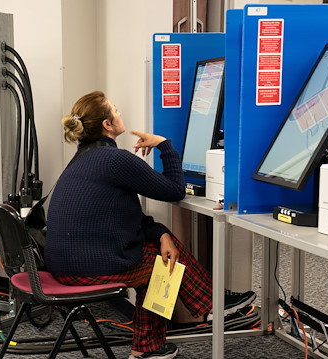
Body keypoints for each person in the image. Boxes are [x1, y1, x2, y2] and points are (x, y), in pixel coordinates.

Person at [44, 91, 255, 359]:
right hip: (88, 268)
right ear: (107, 125)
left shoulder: (80, 160)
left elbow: (127, 216)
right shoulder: (115, 160)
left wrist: (159, 235)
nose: (120, 113)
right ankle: (204, 309)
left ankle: (163, 339)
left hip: (63, 266)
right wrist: (165, 144)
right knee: (162, 264)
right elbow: (175, 190)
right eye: (115, 109)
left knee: (162, 248)